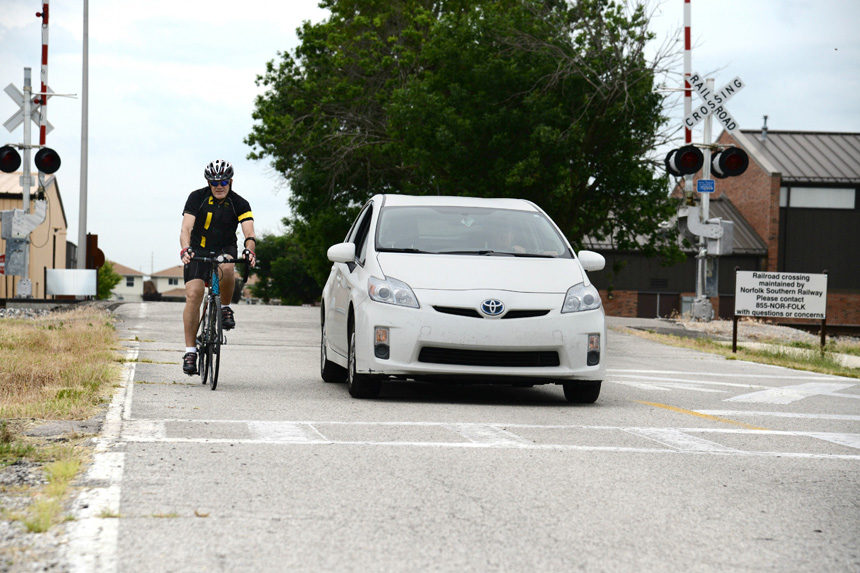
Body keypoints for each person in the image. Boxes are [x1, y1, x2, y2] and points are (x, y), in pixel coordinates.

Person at [179, 159, 257, 375]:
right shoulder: (197, 197)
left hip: (225, 248)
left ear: (230, 180)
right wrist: (185, 249)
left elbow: (249, 234)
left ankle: (223, 308)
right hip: (198, 250)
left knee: (228, 267)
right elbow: (186, 228)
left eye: (223, 181)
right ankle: (190, 351)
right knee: (194, 295)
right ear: (208, 182)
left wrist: (250, 250)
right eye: (214, 182)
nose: (219, 185)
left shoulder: (239, 203)